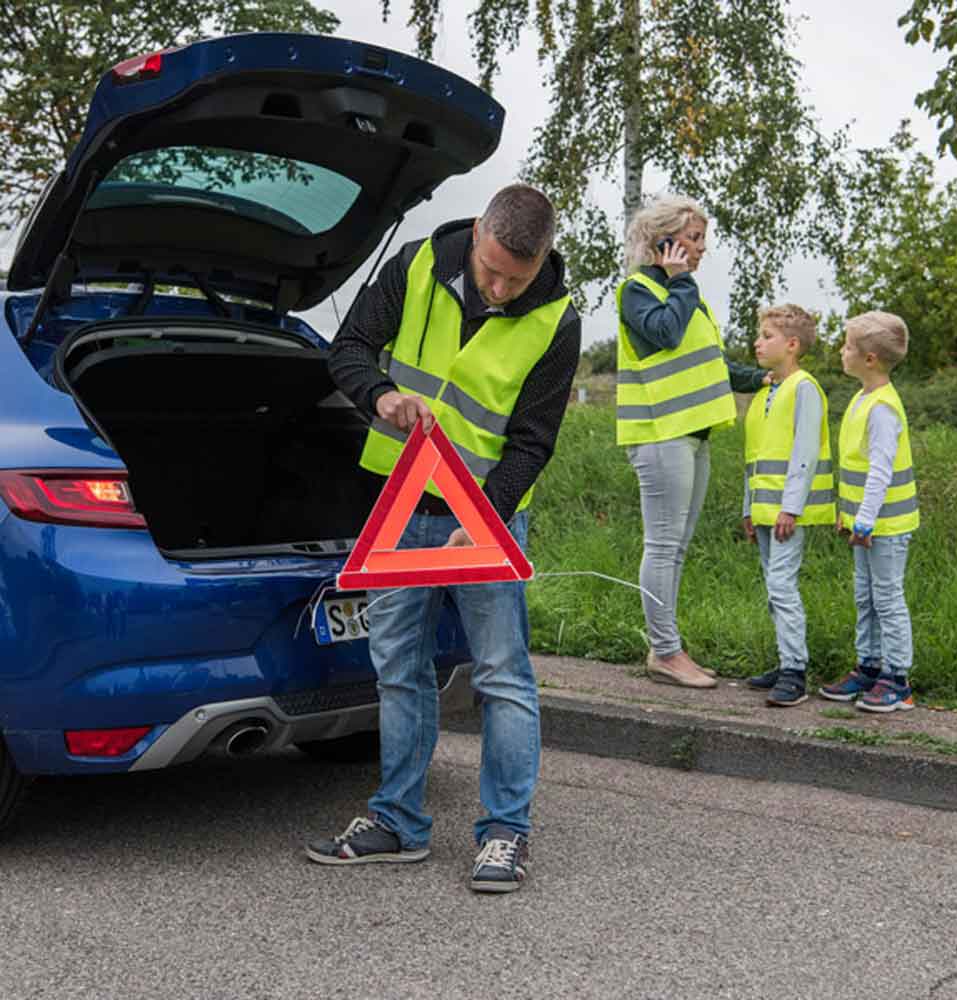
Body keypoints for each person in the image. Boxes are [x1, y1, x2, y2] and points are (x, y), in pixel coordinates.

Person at [307, 184, 581, 893]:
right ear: (479, 236)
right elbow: (349, 350)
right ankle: (398, 820)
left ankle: (505, 835)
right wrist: (379, 395)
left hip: (480, 517)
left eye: (515, 280)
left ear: (542, 259)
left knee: (502, 676)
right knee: (398, 665)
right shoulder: (416, 264)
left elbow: (532, 442)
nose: (497, 289)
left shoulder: (556, 321)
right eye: (491, 270)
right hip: (400, 505)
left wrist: (485, 513)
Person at [616, 195, 767, 688]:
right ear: (664, 241)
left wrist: (761, 379)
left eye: (702, 239)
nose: (702, 249)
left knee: (676, 548)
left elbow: (712, 364)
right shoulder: (638, 291)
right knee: (662, 547)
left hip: (693, 436)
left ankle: (670, 647)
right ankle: (664, 652)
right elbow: (665, 334)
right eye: (694, 238)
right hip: (662, 435)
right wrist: (679, 281)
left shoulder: (686, 293)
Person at [820, 311, 919, 712]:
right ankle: (868, 667)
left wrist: (864, 520)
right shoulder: (862, 399)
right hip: (864, 524)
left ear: (870, 358)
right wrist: (850, 516)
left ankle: (898, 680)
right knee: (866, 597)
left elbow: (879, 470)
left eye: (846, 346)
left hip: (885, 526)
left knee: (888, 599)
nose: (841, 352)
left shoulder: (881, 408)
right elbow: (857, 471)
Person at [742, 305, 836, 706]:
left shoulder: (805, 388)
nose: (757, 343)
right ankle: (786, 661)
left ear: (792, 345)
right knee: (772, 588)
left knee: (782, 586)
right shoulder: (768, 391)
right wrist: (748, 507)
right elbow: (756, 456)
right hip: (764, 510)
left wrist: (791, 507)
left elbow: (805, 452)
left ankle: (795, 672)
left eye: (766, 336)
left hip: (786, 513)